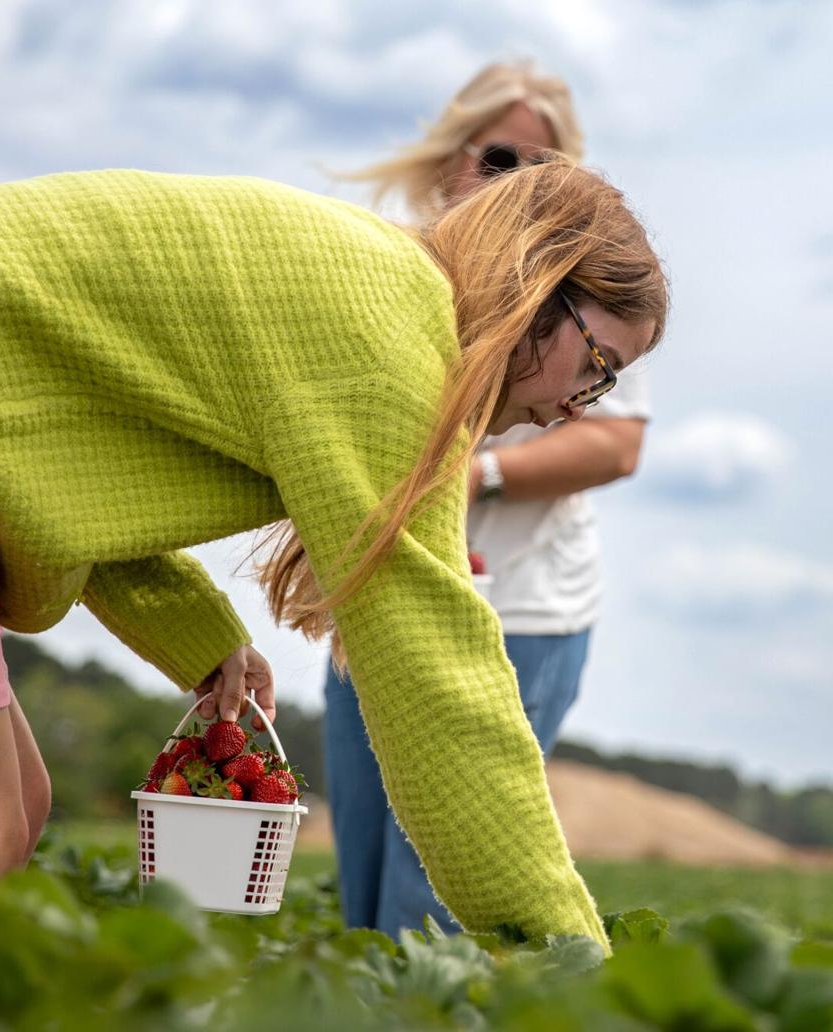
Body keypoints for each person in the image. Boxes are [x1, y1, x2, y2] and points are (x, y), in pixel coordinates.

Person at [0, 158, 666, 952]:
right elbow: (434, 673)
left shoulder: (379, 291)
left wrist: (199, 635)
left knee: (11, 812)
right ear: (541, 282)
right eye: (598, 365)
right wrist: (565, 951)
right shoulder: (398, 338)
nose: (581, 406)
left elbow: (66, 463)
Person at [323, 61, 653, 940]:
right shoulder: (394, 267)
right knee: (364, 889)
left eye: (546, 170)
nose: (520, 185)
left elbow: (619, 441)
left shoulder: (576, 290)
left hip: (521, 610)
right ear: (449, 160)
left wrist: (472, 476)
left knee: (427, 906)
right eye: (502, 159)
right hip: (388, 601)